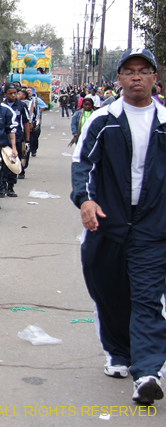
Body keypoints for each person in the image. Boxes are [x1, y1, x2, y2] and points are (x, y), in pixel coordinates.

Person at [71, 48, 166, 405]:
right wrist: (85, 200)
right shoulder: (103, 119)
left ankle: (147, 372)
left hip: (154, 225)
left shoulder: (164, 120)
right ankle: (119, 353)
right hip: (108, 221)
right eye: (129, 71)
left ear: (155, 78)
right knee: (109, 291)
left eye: (144, 71)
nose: (137, 77)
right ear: (119, 79)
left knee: (146, 298)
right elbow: (82, 163)